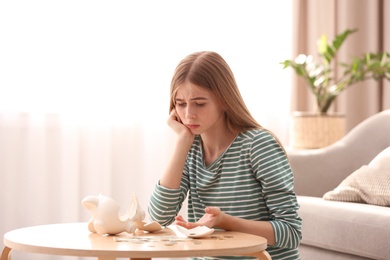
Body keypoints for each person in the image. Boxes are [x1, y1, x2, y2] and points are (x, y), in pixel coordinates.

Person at [148, 51, 302, 259]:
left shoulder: (258, 145)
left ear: (224, 100)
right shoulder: (190, 148)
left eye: (199, 103)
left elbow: (291, 232)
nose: (188, 114)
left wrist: (226, 221)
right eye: (181, 104)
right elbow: (159, 218)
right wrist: (182, 143)